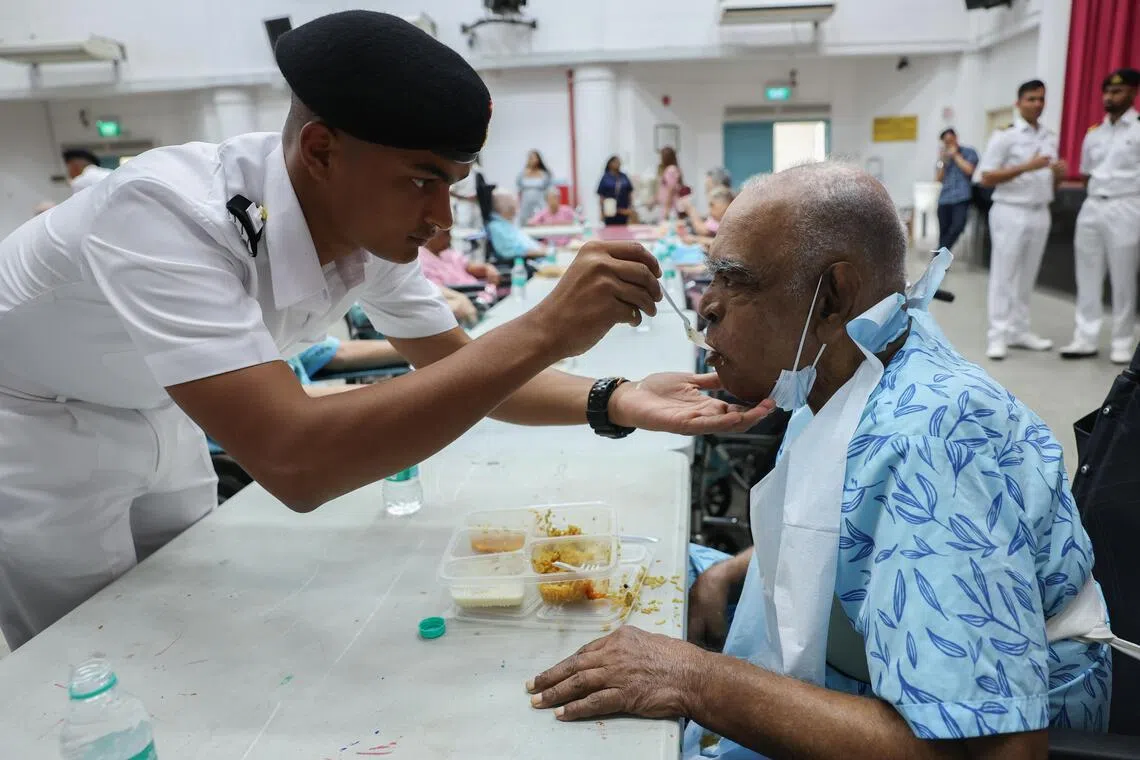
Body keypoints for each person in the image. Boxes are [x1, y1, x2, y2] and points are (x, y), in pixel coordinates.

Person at [0, 11, 773, 650]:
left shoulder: (366, 225)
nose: (440, 221)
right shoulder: (165, 213)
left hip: (157, 410)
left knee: (186, 609)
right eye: (422, 180)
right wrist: (543, 328)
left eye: (453, 185)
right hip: (37, 432)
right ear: (321, 150)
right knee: (84, 655)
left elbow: (468, 371)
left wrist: (618, 397)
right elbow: (293, 461)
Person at [527, 162, 1115, 758]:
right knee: (652, 570)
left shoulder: (932, 442)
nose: (706, 307)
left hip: (957, 724)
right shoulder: (848, 371)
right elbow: (862, 520)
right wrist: (737, 570)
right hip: (871, 649)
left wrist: (696, 680)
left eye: (736, 282)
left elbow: (991, 751)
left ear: (832, 295)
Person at [975, 79, 1066, 361]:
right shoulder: (1005, 136)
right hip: (1010, 211)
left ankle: (1019, 330)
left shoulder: (1048, 137)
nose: (1037, 104)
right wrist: (1028, 166)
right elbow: (984, 177)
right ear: (1018, 103)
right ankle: (998, 335)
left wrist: (1058, 175)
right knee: (1005, 274)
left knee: (1027, 276)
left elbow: (1049, 181)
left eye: (1041, 99)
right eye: (1031, 99)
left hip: (1040, 210)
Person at [1061, 68, 1140, 364]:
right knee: (1087, 272)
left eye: (1117, 92)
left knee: (1123, 276)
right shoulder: (1094, 133)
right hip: (1093, 204)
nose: (1110, 97)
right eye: (1107, 92)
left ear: (1133, 92)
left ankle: (1122, 340)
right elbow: (1085, 173)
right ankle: (1085, 336)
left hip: (1127, 205)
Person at [417, 227, 500, 298]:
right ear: (432, 235)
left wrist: (487, 268)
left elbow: (469, 266)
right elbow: (439, 292)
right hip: (467, 296)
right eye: (446, 234)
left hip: (479, 289)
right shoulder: (422, 260)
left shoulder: (447, 253)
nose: (450, 238)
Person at [935, 128, 979, 252]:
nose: (948, 143)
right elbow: (938, 179)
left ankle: (938, 257)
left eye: (950, 140)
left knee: (957, 227)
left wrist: (955, 155)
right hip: (944, 199)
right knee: (943, 232)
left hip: (961, 197)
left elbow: (969, 170)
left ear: (956, 138)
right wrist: (943, 161)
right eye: (946, 142)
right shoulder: (943, 158)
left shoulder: (969, 152)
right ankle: (941, 263)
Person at [486, 189, 547, 260]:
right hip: (526, 261)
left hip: (539, 255)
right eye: (513, 203)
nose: (516, 208)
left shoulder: (508, 224)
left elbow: (525, 243)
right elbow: (508, 251)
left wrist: (543, 248)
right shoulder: (496, 227)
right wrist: (541, 252)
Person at [517, 149, 553, 225]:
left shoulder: (544, 174)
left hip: (540, 203)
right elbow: (519, 188)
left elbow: (549, 190)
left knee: (541, 221)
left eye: (533, 158)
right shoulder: (523, 174)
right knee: (525, 223)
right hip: (526, 204)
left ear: (538, 159)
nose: (531, 160)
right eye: (530, 158)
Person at [597, 155, 634, 226]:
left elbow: (630, 193)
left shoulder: (624, 177)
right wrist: (601, 212)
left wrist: (631, 208)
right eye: (616, 162)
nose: (618, 164)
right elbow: (601, 196)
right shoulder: (605, 178)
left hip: (623, 211)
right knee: (610, 230)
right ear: (610, 164)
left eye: (619, 162)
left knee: (623, 230)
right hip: (610, 211)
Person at [654, 146, 685, 219]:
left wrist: (667, 208)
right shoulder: (670, 169)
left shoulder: (671, 170)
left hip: (670, 206)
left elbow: (671, 189)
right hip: (667, 205)